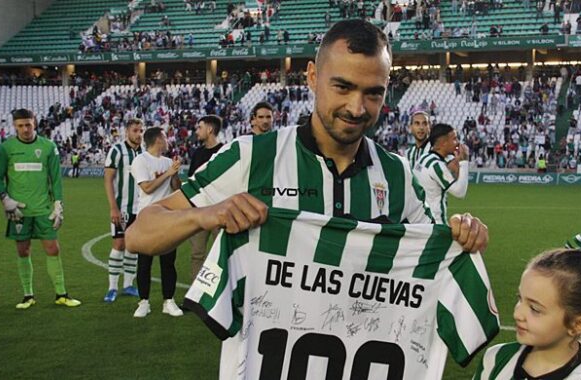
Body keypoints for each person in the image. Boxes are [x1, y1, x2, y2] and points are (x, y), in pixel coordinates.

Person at [126, 19, 489, 377]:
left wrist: (464, 233)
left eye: (373, 93)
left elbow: (437, 247)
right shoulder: (253, 157)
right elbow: (140, 233)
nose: (357, 107)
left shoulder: (396, 176)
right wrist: (209, 215)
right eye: (342, 87)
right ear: (312, 77)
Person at [474, 244, 581, 379]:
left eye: (534, 309)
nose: (517, 314)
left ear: (578, 324)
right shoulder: (496, 358)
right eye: (520, 299)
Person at [0, 108, 80, 309]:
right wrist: (5, 199)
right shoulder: (5, 148)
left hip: (43, 209)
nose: (25, 129)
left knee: (53, 248)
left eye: (28, 124)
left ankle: (61, 293)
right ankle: (28, 295)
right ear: (14, 126)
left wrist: (58, 204)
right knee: (23, 251)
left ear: (35, 123)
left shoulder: (48, 147)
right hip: (19, 211)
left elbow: (56, 178)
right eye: (21, 125)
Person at [130, 127, 182, 318]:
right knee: (144, 263)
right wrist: (168, 173)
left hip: (168, 217)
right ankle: (144, 302)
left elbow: (177, 189)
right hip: (147, 218)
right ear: (158, 139)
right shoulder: (140, 161)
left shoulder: (169, 162)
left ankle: (168, 301)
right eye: (165, 137)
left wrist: (175, 173)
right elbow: (148, 188)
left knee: (169, 262)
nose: (168, 140)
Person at [103, 118, 144, 303]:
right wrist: (113, 208)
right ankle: (112, 287)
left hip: (141, 209)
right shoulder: (117, 150)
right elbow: (108, 180)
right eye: (135, 130)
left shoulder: (144, 153)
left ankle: (128, 284)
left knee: (133, 246)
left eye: (141, 130)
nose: (139, 134)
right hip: (122, 208)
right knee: (119, 245)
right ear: (127, 131)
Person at [187, 115, 223, 283]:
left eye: (199, 127)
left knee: (220, 256)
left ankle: (217, 295)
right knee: (197, 254)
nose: (197, 131)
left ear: (209, 129)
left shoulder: (225, 152)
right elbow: (192, 180)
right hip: (200, 210)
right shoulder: (198, 153)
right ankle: (194, 296)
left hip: (219, 212)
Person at [413, 123, 469, 224]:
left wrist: (456, 162)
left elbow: (447, 166)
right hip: (436, 224)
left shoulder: (423, 159)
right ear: (443, 143)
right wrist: (464, 162)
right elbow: (460, 192)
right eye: (454, 139)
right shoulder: (436, 166)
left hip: (421, 220)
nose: (457, 143)